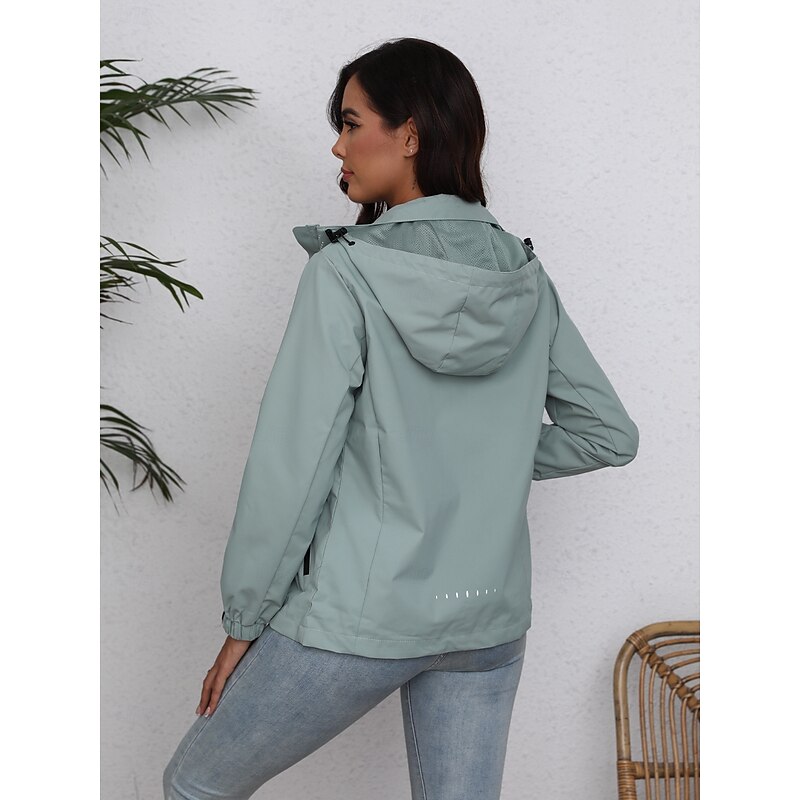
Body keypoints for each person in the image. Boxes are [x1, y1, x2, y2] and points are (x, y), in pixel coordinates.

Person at [163, 37, 639, 800]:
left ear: (410, 135)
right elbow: (608, 434)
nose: (337, 145)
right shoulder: (525, 277)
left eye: (352, 124)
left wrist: (244, 621)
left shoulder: (345, 274)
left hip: (361, 615)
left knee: (195, 784)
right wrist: (484, 452)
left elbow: (292, 468)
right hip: (485, 620)